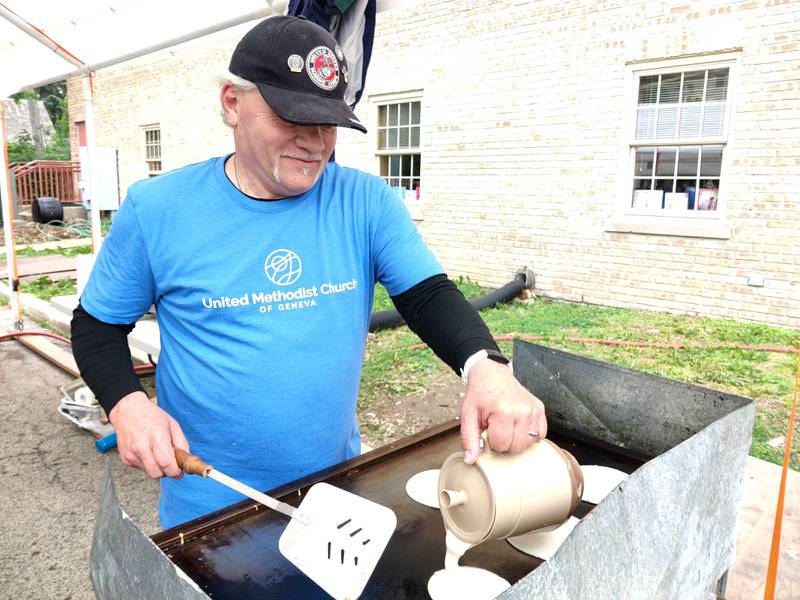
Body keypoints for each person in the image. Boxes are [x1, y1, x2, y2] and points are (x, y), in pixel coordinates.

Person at [71, 16, 547, 529]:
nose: (315, 142)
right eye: (290, 118)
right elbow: (96, 327)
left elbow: (428, 296)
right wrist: (128, 407)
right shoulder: (158, 209)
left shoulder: (364, 201)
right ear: (232, 103)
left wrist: (486, 367)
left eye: (327, 122)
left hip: (337, 490)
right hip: (209, 501)